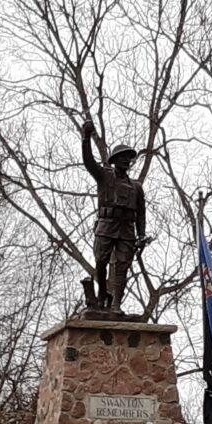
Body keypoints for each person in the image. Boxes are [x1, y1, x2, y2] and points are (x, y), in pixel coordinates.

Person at [81, 119, 147, 313]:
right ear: (115, 160)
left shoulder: (136, 187)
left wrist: (141, 235)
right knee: (101, 261)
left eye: (129, 157)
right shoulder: (104, 176)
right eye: (123, 157)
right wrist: (86, 137)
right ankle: (102, 293)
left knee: (122, 267)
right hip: (106, 224)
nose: (127, 160)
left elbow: (141, 213)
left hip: (127, 229)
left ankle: (116, 303)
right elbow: (89, 162)